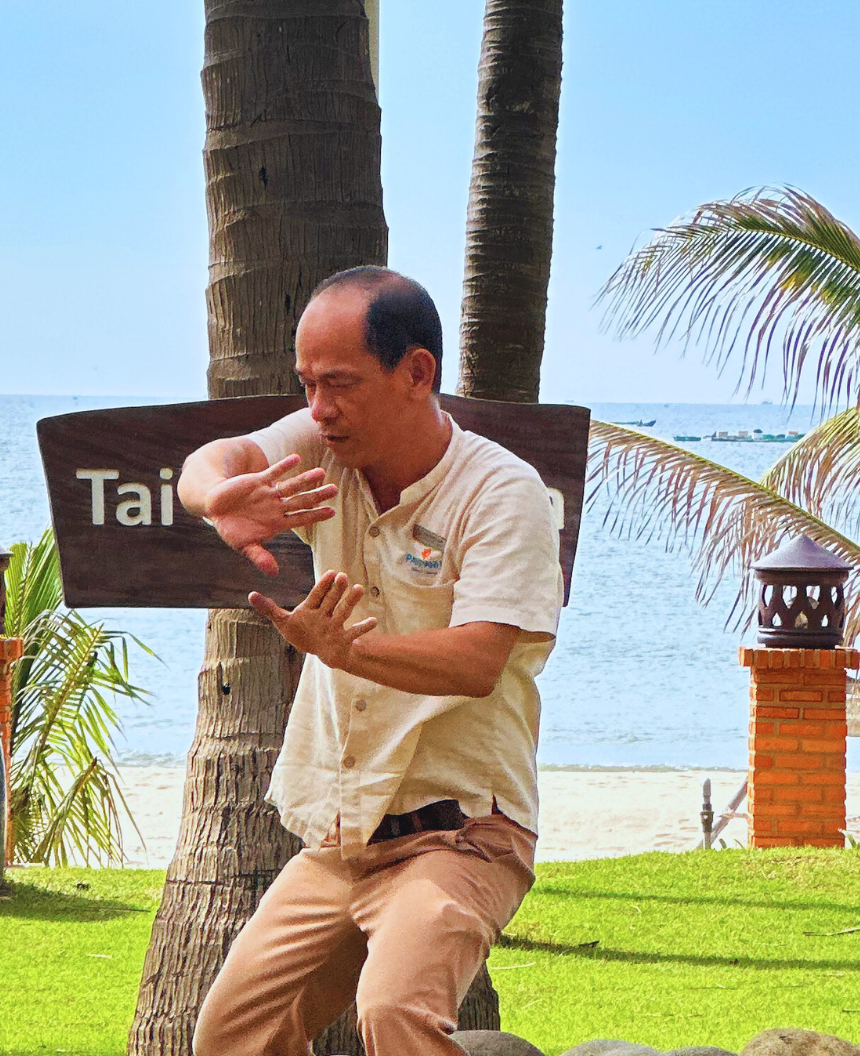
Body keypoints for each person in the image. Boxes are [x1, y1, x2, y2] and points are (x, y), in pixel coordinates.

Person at [175, 266, 564, 1055]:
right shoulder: (321, 449)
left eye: (340, 384)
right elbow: (211, 459)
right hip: (342, 839)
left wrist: (349, 651)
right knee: (229, 1036)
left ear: (416, 373)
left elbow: (478, 661)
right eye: (307, 384)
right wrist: (216, 496)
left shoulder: (500, 492)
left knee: (395, 1013)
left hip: (461, 835)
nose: (318, 408)